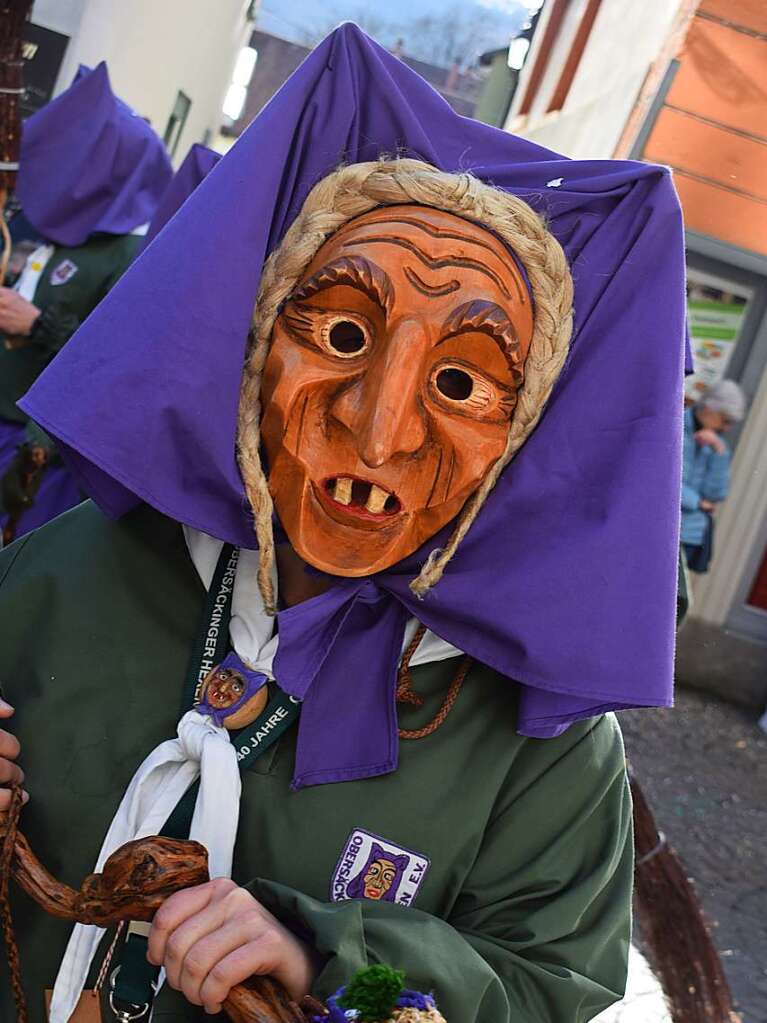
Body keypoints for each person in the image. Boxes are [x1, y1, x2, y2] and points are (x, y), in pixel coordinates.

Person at [0, 25, 687, 1023]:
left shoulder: (541, 741)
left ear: (525, 436)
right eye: (339, 335)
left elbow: (552, 985)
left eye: (459, 381)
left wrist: (330, 955)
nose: (375, 435)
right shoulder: (75, 570)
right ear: (251, 342)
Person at [0, 63, 173, 543]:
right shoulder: (25, 220)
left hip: (36, 446)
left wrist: (38, 325)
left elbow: (115, 359)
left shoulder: (129, 254)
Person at [681, 379, 746, 573]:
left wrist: (719, 452)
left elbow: (717, 494)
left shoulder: (716, 442)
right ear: (709, 408)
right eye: (725, 420)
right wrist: (698, 502)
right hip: (661, 529)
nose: (726, 429)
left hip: (691, 534)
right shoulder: (674, 428)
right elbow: (660, 481)